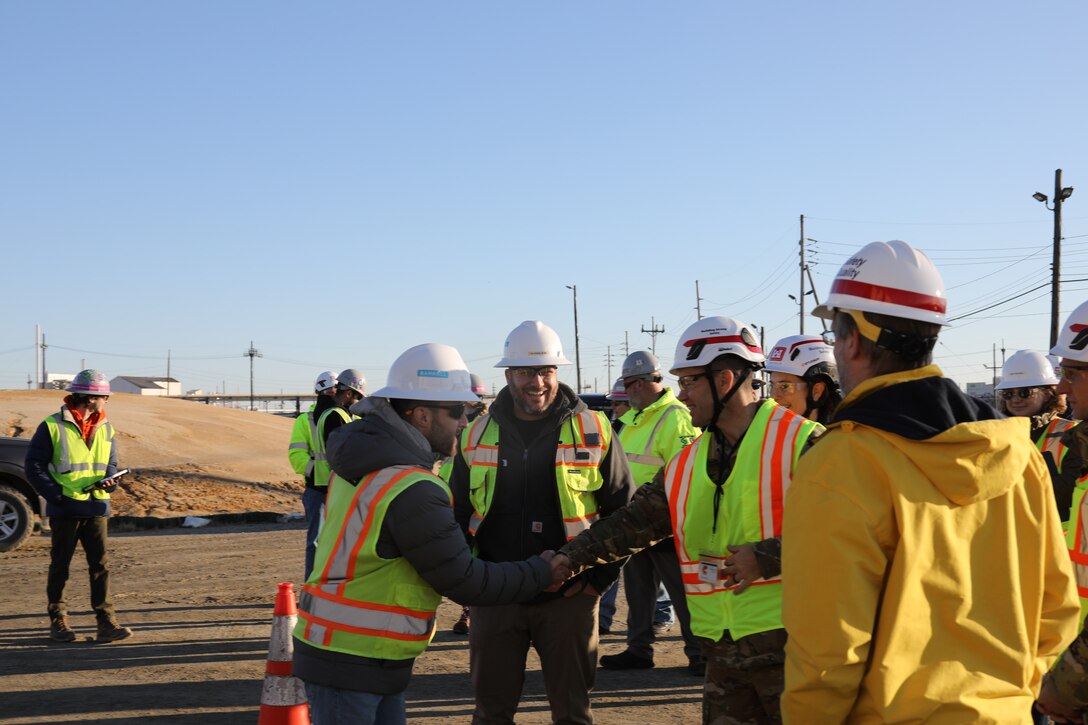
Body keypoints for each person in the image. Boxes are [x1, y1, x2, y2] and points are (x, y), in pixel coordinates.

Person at [780, 240, 1079, 724]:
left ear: (852, 340)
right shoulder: (1017, 449)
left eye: (835, 333)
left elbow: (827, 654)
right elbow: (1057, 609)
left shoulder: (842, 461)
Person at [550, 316, 822, 725]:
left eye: (690, 381)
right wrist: (569, 559)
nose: (681, 393)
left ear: (725, 379)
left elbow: (851, 534)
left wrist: (768, 557)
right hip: (721, 656)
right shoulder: (687, 464)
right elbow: (633, 523)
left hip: (797, 654)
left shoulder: (805, 443)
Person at [293, 344, 556, 725]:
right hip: (354, 658)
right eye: (456, 412)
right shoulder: (410, 486)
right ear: (420, 416)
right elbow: (464, 580)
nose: (465, 423)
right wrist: (542, 571)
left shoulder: (362, 464)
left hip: (355, 651)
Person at [449, 320, 636, 725]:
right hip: (495, 595)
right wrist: (469, 583)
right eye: (526, 372)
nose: (537, 382)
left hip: (569, 600)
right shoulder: (476, 433)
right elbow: (458, 512)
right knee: (491, 714)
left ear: (557, 373)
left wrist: (597, 582)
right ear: (508, 375)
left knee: (572, 714)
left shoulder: (595, 429)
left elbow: (624, 513)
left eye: (546, 371)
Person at [598, 350, 703, 676]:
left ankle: (699, 654)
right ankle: (638, 649)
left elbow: (689, 470)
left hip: (668, 524)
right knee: (640, 591)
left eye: (629, 385)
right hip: (637, 522)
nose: (626, 393)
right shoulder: (634, 419)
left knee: (683, 594)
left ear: (643, 383)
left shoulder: (675, 417)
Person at [24, 369, 133, 643]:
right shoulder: (52, 425)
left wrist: (112, 483)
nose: (106, 400)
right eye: (103, 396)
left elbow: (110, 465)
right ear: (89, 397)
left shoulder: (106, 427)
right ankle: (58, 621)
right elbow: (33, 467)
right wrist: (57, 496)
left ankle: (106, 622)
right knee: (60, 566)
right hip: (66, 508)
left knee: (100, 566)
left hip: (96, 507)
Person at [996, 349, 1082, 521]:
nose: (1015, 399)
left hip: (1059, 541)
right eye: (1008, 393)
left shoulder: (1073, 434)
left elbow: (1068, 493)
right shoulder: (997, 435)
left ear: (1047, 393)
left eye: (1025, 392)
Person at [449, 372, 490, 636]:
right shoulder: (456, 423)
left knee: (475, 556)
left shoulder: (486, 426)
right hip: (454, 493)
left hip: (478, 498)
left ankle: (471, 612)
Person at [289, 370, 339, 580]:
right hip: (317, 491)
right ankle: (312, 587)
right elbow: (296, 454)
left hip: (342, 489)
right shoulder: (305, 420)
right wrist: (314, 473)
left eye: (336, 389)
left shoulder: (347, 415)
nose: (333, 393)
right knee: (316, 542)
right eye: (330, 390)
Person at [763, 335, 842, 423]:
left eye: (784, 386)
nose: (773, 397)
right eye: (772, 386)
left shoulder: (844, 435)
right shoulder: (773, 432)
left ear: (817, 391)